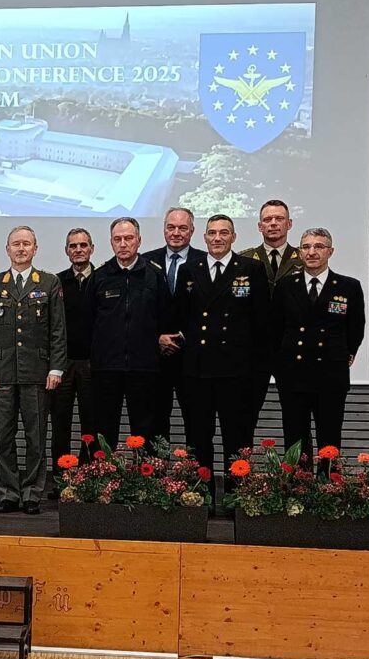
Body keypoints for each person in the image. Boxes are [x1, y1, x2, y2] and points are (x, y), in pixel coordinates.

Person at [174, 215, 269, 505]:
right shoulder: (190, 268)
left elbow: (262, 322)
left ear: (233, 237)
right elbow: (181, 316)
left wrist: (257, 369)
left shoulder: (251, 269)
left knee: (237, 438)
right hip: (198, 369)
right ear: (204, 237)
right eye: (212, 233)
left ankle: (236, 497)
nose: (217, 238)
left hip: (236, 370)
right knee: (198, 437)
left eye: (224, 233)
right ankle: (199, 496)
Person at [0, 226, 67, 515]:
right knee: (3, 438)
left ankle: (31, 494)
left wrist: (56, 368)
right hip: (2, 373)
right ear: (7, 249)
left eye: (26, 244)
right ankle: (8, 492)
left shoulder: (49, 282)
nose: (20, 248)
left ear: (35, 249)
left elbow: (57, 330)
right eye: (15, 244)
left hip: (37, 372)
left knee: (35, 437)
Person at [272, 228, 365, 461]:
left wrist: (345, 354)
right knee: (295, 438)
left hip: (330, 374)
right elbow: (275, 328)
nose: (312, 252)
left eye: (319, 246)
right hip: (293, 374)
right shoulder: (286, 285)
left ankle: (327, 483)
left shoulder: (348, 286)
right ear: (299, 252)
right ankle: (297, 483)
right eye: (306, 247)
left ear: (330, 251)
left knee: (330, 438)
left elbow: (356, 328)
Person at [84, 217, 176, 449]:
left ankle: (146, 474)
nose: (123, 244)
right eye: (118, 239)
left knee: (146, 430)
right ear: (111, 243)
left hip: (144, 367)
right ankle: (105, 472)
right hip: (107, 368)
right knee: (104, 430)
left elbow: (166, 318)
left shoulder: (154, 275)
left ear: (139, 240)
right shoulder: (100, 276)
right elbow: (89, 321)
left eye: (128, 238)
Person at [142, 207, 205, 444]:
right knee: (155, 422)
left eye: (182, 228)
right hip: (155, 356)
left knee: (196, 421)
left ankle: (193, 467)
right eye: (171, 227)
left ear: (192, 231)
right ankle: (156, 468)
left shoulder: (204, 261)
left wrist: (185, 336)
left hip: (192, 356)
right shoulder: (145, 261)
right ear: (164, 229)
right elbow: (140, 311)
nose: (176, 233)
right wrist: (156, 338)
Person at [240, 199, 303, 428]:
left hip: (291, 346)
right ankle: (242, 454)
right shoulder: (244, 259)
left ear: (289, 224)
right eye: (267, 219)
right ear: (260, 226)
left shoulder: (304, 258)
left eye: (279, 219)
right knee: (245, 413)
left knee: (297, 416)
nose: (273, 223)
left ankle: (298, 455)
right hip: (253, 347)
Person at [49, 228, 97, 496]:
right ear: (66, 251)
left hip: (92, 363)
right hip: (62, 364)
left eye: (83, 245)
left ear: (92, 248)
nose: (78, 250)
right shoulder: (56, 282)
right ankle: (61, 480)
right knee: (60, 424)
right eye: (73, 246)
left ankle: (87, 479)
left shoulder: (101, 279)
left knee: (91, 424)